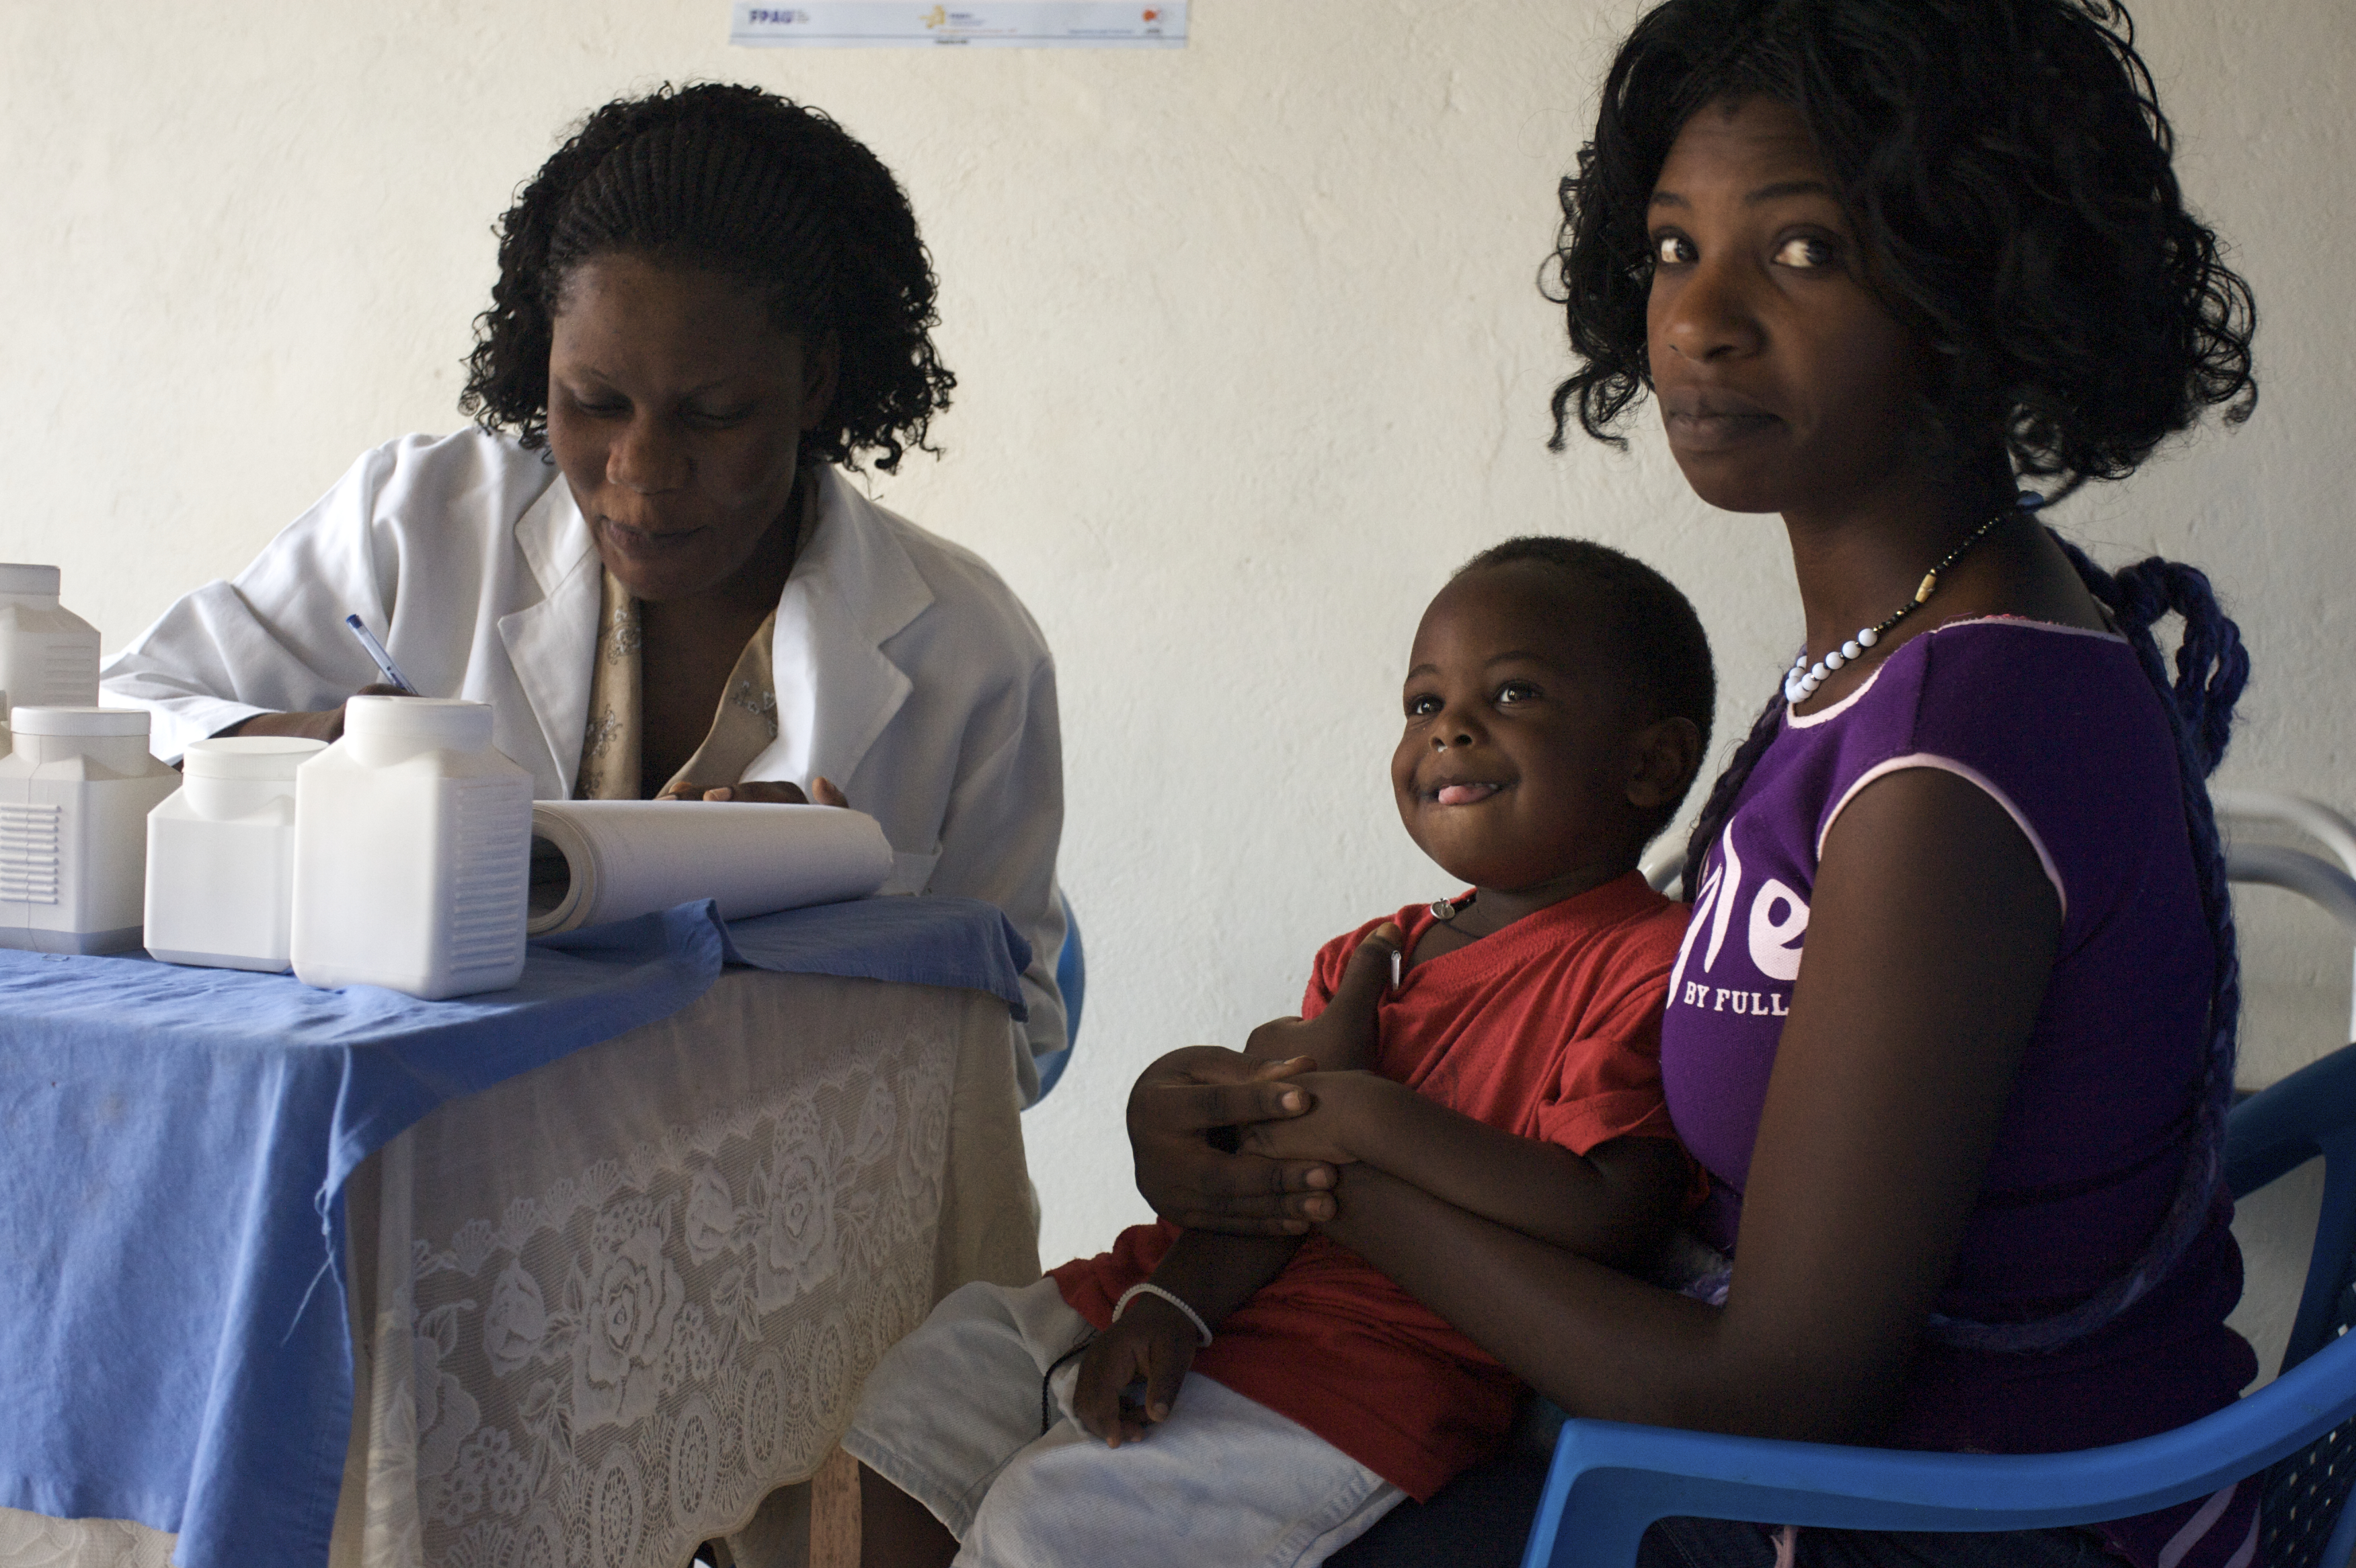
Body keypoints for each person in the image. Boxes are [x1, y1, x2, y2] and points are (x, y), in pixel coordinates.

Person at [1122, 3, 2265, 1566]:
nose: (1699, 321)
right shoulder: (1894, 646)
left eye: (1799, 253)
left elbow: (1782, 1399)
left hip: (1947, 1522)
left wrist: (1318, 1173)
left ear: (1977, 283)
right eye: (1670, 249)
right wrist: (1317, 1105)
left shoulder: (1958, 741)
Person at [100, 85, 1068, 1077]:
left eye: (717, 414)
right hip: (441, 1156)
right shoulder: (421, 518)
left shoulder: (967, 645)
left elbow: (1019, 1031)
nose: (642, 470)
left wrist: (826, 923)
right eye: (593, 402)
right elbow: (122, 711)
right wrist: (325, 743)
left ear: (813, 383)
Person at [844, 538, 1717, 1566]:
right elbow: (1274, 1186)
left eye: (1512, 694)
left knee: (1053, 1521)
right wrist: (1172, 1304)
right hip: (1214, 1298)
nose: (1451, 733)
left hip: (1366, 1378)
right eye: (1423, 705)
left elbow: (1612, 1211)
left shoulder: (1650, 960)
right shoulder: (1373, 953)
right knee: (933, 1384)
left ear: (1650, 762)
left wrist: (1366, 1116)